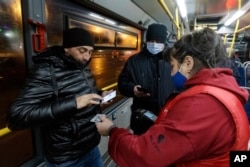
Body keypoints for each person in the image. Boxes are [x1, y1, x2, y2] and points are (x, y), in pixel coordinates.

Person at [95, 28, 250, 167]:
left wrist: (112, 130)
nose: (171, 73)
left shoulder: (201, 104)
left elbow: (146, 156)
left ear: (188, 63)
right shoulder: (224, 91)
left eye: (173, 66)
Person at [6, 28, 110, 167]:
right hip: (66, 158)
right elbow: (16, 116)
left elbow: (84, 90)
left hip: (90, 146)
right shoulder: (46, 70)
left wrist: (100, 94)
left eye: (90, 52)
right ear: (67, 48)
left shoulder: (82, 66)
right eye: (82, 50)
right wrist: (74, 103)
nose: (87, 57)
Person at [117, 23, 176, 135]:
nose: (154, 44)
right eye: (151, 41)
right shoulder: (134, 61)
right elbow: (122, 83)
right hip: (142, 119)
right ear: (146, 41)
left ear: (164, 43)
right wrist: (132, 89)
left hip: (167, 118)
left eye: (158, 42)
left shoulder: (172, 61)